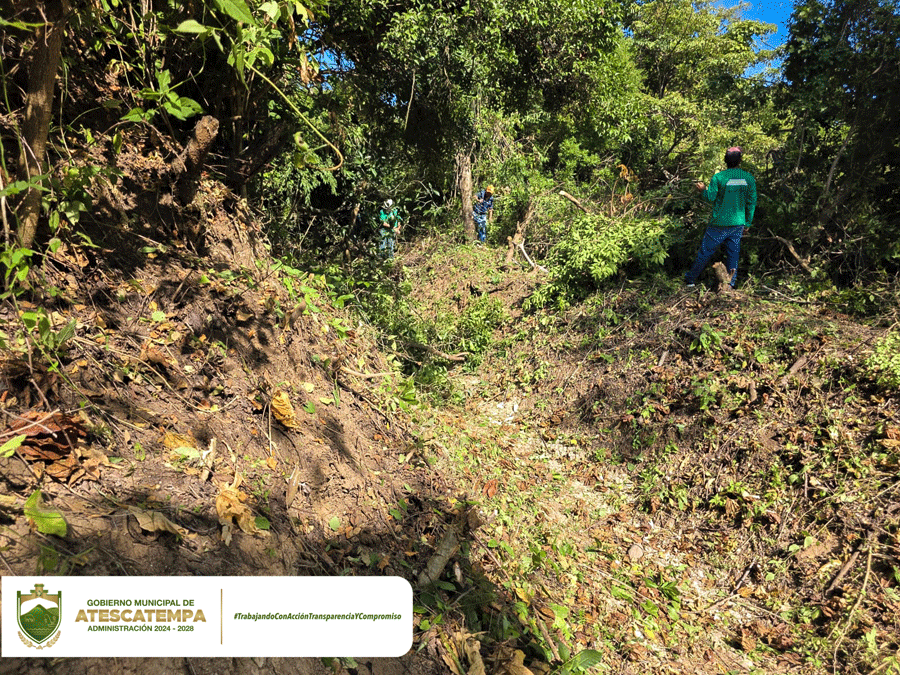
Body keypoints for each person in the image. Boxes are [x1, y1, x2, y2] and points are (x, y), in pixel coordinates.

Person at [684, 147, 757, 288]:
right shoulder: (748, 178)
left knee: (705, 252)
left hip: (718, 223)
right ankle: (730, 285)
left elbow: (710, 197)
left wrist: (703, 190)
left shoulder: (719, 177)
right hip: (737, 223)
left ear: (725, 160)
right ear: (740, 160)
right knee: (733, 255)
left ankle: (690, 280)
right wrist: (748, 223)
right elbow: (751, 202)